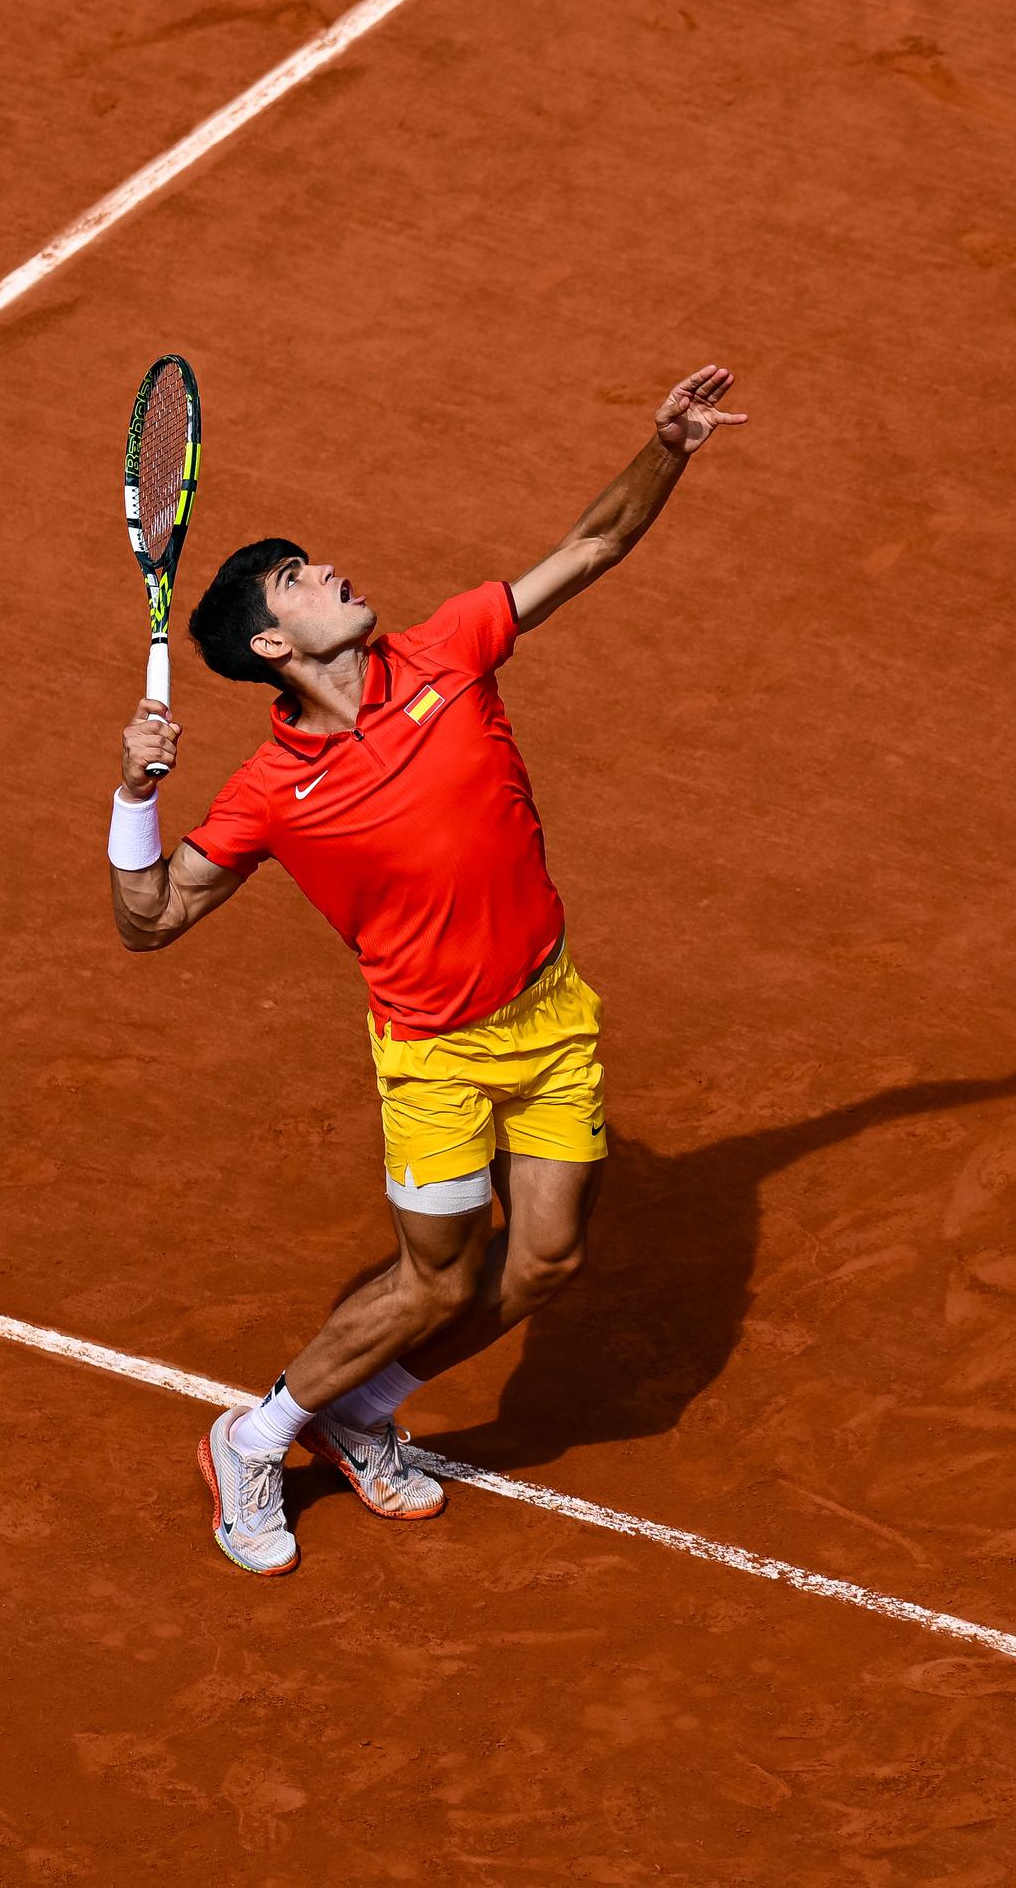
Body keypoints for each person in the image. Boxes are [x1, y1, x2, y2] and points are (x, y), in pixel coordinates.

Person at [105, 366, 748, 1575]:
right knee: (432, 1283)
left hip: (550, 1013)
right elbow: (150, 920)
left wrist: (666, 446)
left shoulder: (449, 650)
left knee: (549, 1258)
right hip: (434, 1053)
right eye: (303, 580)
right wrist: (136, 798)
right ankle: (256, 1434)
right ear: (269, 642)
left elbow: (594, 542)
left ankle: (355, 1412)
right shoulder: (264, 796)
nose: (334, 574)